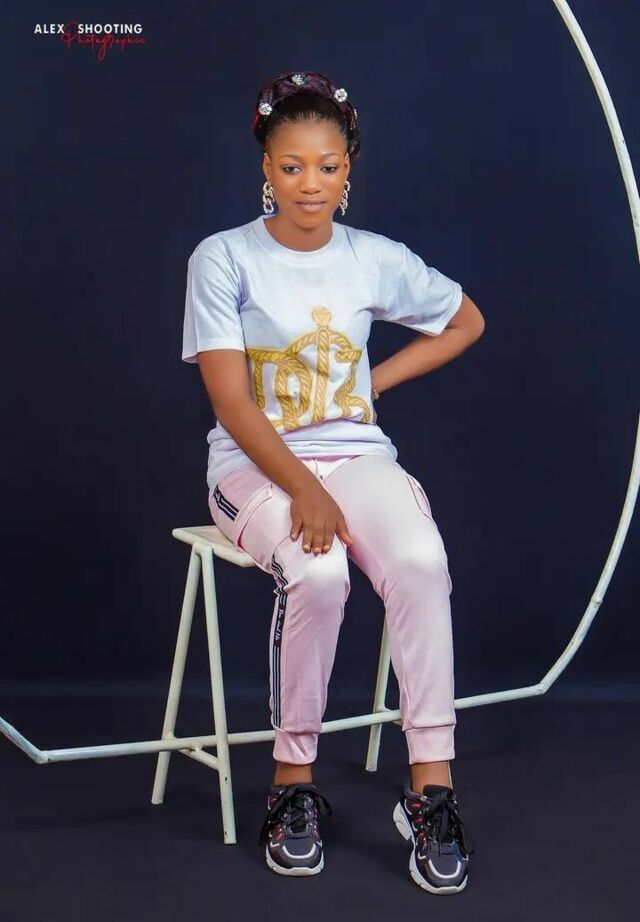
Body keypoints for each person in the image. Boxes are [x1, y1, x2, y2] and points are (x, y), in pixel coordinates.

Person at [181, 69, 484, 894]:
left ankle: (431, 790)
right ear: (265, 168)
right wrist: (304, 491)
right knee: (319, 574)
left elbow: (465, 321)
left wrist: (370, 386)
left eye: (326, 166)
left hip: (355, 456)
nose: (308, 184)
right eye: (290, 167)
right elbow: (231, 400)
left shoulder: (373, 258)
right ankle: (292, 784)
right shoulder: (223, 258)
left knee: (420, 561)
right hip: (251, 466)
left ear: (348, 167)